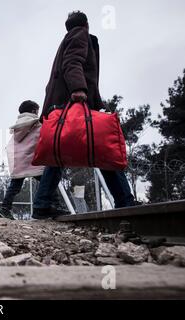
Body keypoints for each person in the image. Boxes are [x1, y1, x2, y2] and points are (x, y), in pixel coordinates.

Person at [33, 11, 135, 219]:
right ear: (86, 24)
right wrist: (78, 89)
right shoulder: (80, 34)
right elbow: (72, 62)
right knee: (102, 148)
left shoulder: (66, 40)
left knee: (58, 152)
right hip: (73, 101)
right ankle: (125, 200)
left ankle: (42, 204)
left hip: (60, 105)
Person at [0, 101, 45, 220]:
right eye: (37, 111)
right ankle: (50, 206)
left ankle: (5, 209)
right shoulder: (36, 123)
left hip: (19, 161)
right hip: (32, 160)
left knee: (14, 186)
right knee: (47, 181)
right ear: (34, 111)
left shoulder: (19, 125)